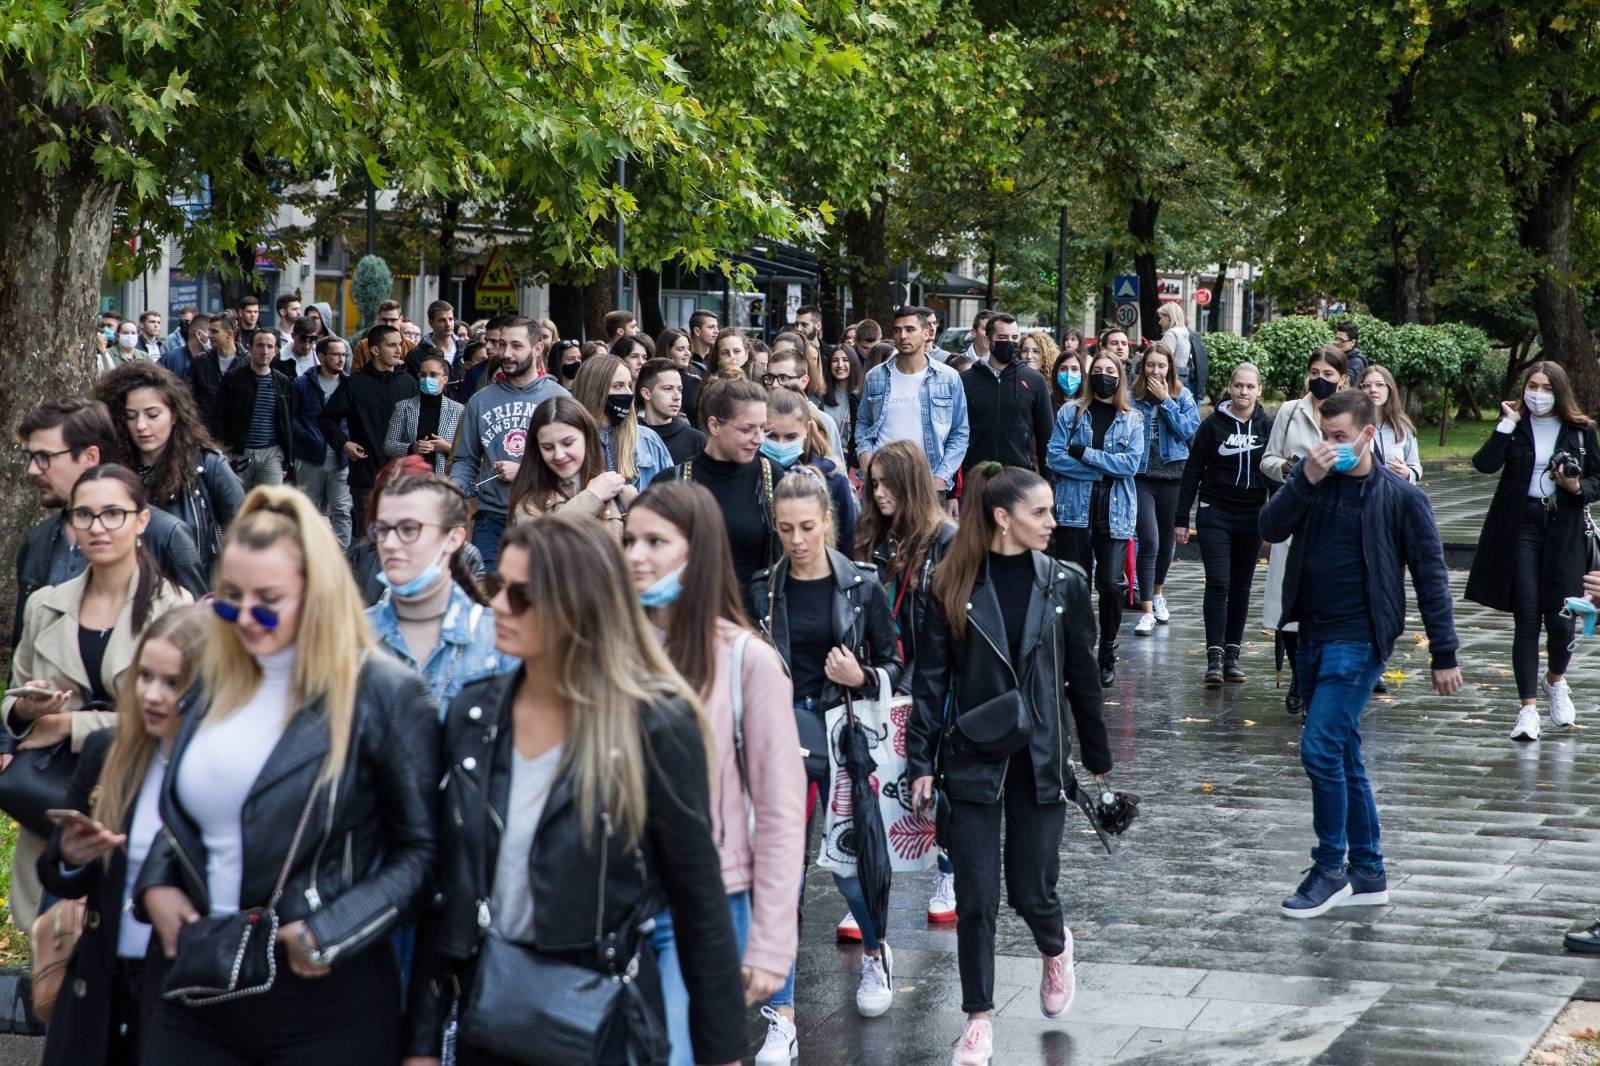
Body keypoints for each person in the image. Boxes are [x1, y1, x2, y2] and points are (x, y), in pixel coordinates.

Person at [403, 515, 747, 1066]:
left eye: (522, 596)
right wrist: (421, 1042)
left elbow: (699, 901)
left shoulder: (654, 724)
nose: (497, 606)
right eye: (497, 588)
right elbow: (449, 888)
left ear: (576, 607)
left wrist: (725, 1054)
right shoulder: (476, 711)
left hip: (605, 1020)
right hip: (493, 1012)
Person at [136, 487, 440, 1063]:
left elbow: (424, 852)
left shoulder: (382, 692)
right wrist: (155, 882)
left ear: (317, 593)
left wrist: (327, 931)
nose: (245, 618)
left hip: (323, 997)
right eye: (230, 599)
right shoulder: (213, 681)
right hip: (199, 979)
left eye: (269, 600)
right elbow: (188, 810)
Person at [905, 463, 1110, 1066]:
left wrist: (1097, 760)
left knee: (1030, 891)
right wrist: (921, 761)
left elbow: (1083, 681)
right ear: (1003, 517)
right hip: (972, 756)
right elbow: (929, 682)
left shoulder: (1067, 584)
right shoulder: (951, 583)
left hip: (1041, 758)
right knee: (975, 897)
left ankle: (1055, 946)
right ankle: (978, 1019)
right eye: (1041, 511)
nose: (1053, 521)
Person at [623, 482, 806, 1066]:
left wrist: (773, 944)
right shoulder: (609, 651)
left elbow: (779, 810)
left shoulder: (747, 661)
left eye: (655, 540)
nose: (635, 555)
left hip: (709, 898)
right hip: (614, 895)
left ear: (698, 551)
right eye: (629, 539)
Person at [1260, 389, 1462, 918]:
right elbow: (1269, 528)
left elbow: (1432, 577)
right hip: (1310, 634)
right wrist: (1305, 478)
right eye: (1324, 437)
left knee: (1319, 749)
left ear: (1369, 434)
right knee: (1344, 753)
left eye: (1340, 438)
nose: (1329, 447)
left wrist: (1445, 652)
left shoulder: (1401, 497)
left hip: (1362, 638)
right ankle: (1368, 871)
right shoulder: (1312, 482)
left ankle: (1330, 868)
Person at [5, 465, 193, 938]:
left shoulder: (174, 610)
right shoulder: (45, 604)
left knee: (128, 949)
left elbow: (179, 716)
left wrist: (70, 727)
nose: (98, 527)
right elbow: (15, 694)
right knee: (55, 954)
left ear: (142, 520)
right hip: (54, 803)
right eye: (84, 515)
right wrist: (26, 712)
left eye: (114, 514)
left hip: (136, 799)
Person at [749, 470, 903, 1024]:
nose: (797, 539)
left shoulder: (862, 584)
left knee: (846, 866)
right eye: (787, 528)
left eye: (807, 527)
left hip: (845, 737)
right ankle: (781, 1014)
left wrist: (860, 673)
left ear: (828, 524)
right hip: (781, 735)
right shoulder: (763, 589)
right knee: (780, 873)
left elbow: (895, 665)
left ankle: (875, 948)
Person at [37, 605, 210, 1066]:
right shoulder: (107, 750)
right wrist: (71, 856)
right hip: (99, 981)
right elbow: (58, 876)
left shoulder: (224, 772)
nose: (152, 694)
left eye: (172, 683)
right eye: (145, 676)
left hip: (178, 988)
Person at [849, 438, 959, 933]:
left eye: (887, 484)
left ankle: (948, 874)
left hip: (928, 677)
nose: (879, 493)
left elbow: (947, 628)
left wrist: (909, 681)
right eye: (872, 485)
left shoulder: (945, 540)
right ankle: (874, 889)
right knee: (879, 781)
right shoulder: (871, 536)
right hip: (880, 672)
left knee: (934, 776)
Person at [1465, 361, 1600, 742]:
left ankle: (1555, 680)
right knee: (1526, 616)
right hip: (1520, 526)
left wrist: (1575, 488)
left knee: (1563, 617)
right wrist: (1505, 425)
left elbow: (1597, 478)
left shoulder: (1581, 429)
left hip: (1564, 528)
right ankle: (1527, 709)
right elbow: (1484, 464)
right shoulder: (1515, 427)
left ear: (1559, 391)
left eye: (1545, 387)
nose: (1536, 393)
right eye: (1532, 385)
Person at [15, 398, 207, 639]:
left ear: (90, 457)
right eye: (30, 457)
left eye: (44, 457)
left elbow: (200, 648)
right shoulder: (38, 541)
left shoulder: (164, 535)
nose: (32, 469)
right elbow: (22, 652)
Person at [365, 473, 509, 715]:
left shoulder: (497, 639)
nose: (389, 543)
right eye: (382, 529)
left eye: (408, 529)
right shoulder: (354, 633)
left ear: (453, 539)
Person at [1046, 348, 1145, 686]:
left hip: (1115, 511)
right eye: (1098, 370)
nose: (1103, 375)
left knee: (1113, 586)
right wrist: (1100, 471)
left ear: (1120, 377)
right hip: (1074, 509)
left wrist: (1085, 453)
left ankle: (1107, 648)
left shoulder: (1132, 418)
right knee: (1074, 584)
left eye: (1110, 370)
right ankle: (1076, 650)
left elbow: (1131, 465)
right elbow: (1054, 458)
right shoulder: (1070, 413)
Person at [93, 362, 245, 577]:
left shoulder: (208, 466)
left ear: (174, 415)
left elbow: (247, 536)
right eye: (131, 416)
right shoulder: (112, 471)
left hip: (196, 595)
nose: (141, 426)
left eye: (152, 415)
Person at [1263, 347, 1350, 715]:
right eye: (1314, 372)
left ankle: (1319, 678)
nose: (1320, 380)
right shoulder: (1289, 410)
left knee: (1322, 599)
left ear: (1342, 379)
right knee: (1287, 602)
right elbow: (1267, 459)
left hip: (1335, 516)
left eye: (1328, 374)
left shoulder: (1351, 412)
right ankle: (1299, 679)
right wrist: (1287, 467)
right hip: (1294, 511)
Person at [1175, 363, 1273, 684]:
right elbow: (1192, 471)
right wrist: (1181, 518)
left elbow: (1275, 473)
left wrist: (1277, 519)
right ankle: (1214, 657)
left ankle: (1233, 655)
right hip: (1215, 511)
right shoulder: (1212, 426)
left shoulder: (1266, 427)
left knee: (1242, 585)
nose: (1244, 392)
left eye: (1250, 387)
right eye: (1238, 386)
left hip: (1252, 514)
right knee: (1218, 582)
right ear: (1230, 388)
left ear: (1259, 390)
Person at [449, 315, 570, 568]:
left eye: (516, 346)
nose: (505, 353)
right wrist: (455, 488)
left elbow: (572, 466)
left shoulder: (560, 399)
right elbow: (465, 459)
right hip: (490, 521)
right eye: (502, 345)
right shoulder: (480, 401)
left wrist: (525, 472)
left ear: (537, 349)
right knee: (488, 598)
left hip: (543, 517)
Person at [661, 378, 779, 610]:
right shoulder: (672, 483)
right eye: (747, 429)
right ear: (714, 425)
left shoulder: (770, 476)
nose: (759, 439)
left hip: (754, 625)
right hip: (690, 622)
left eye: (763, 428)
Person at [319, 323, 421, 540]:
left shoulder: (409, 383)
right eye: (391, 345)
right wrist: (343, 444)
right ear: (374, 350)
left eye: (400, 345)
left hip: (402, 477)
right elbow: (326, 418)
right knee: (368, 540)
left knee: (401, 538)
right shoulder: (355, 384)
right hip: (366, 476)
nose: (398, 350)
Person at [855, 305, 970, 496]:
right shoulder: (875, 376)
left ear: (926, 333)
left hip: (928, 482)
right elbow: (864, 422)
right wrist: (865, 455)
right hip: (881, 482)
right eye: (897, 330)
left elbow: (960, 432)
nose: (903, 336)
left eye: (910, 329)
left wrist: (941, 477)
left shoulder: (948, 377)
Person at [1129, 341, 1200, 635]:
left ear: (1170, 368)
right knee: (1150, 541)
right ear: (1142, 367)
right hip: (1142, 477)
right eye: (1150, 365)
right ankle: (1145, 608)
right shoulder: (1133, 397)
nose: (1155, 371)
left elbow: (1188, 431)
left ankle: (1157, 592)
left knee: (1166, 544)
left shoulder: (1182, 396)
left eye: (1161, 365)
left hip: (1173, 478)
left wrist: (1165, 402)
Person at [506, 396, 634, 535]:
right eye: (548, 447)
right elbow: (540, 541)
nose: (559, 455)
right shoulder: (529, 501)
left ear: (587, 438)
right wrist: (592, 496)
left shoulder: (620, 493)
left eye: (568, 443)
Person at [960, 312, 1053, 479]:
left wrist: (1048, 486)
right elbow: (956, 436)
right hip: (976, 479)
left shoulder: (1034, 381)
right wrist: (953, 491)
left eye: (1014, 337)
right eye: (1003, 337)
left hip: (1019, 480)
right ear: (988, 341)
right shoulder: (966, 381)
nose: (1010, 342)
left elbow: (1045, 438)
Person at [763, 386, 856, 552]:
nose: (781, 444)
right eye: (772, 435)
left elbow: (847, 544)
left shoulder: (832, 479)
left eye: (791, 437)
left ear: (806, 429)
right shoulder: (749, 473)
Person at [572, 353, 674, 489]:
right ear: (595, 391)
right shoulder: (571, 444)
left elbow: (673, 498)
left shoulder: (648, 441)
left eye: (629, 385)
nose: (628, 393)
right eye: (618, 386)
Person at [291, 335, 354, 548]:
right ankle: (307, 556)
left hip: (341, 457)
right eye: (335, 354)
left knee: (342, 510)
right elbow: (290, 417)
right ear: (321, 357)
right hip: (310, 457)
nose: (341, 359)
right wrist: (308, 437)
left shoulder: (350, 385)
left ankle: (341, 560)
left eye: (344, 355)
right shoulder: (302, 383)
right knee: (307, 510)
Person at [214, 327, 295, 488]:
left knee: (270, 506)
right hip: (239, 453)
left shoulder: (283, 381)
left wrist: (287, 457)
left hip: (272, 453)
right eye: (259, 345)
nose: (264, 351)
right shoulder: (233, 378)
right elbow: (218, 416)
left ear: (276, 350)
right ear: (250, 348)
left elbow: (287, 421)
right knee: (237, 505)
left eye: (270, 346)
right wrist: (223, 451)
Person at [384, 353, 465, 476]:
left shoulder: (458, 410)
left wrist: (447, 448)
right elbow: (388, 446)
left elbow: (468, 450)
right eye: (423, 375)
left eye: (433, 375)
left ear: (445, 379)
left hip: (445, 479)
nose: (427, 379)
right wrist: (412, 448)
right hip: (411, 479)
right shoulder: (403, 407)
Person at [1357, 365, 1422, 483]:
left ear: (1389, 389)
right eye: (1366, 385)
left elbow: (1416, 467)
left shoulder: (1403, 426)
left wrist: (1407, 473)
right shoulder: (1353, 426)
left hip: (1397, 496)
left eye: (1380, 384)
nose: (1373, 390)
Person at [637, 357, 705, 464]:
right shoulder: (630, 437)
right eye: (668, 389)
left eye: (679, 389)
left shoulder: (697, 440)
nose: (677, 396)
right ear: (646, 393)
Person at [186, 313, 237, 435]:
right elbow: (189, 396)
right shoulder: (200, 362)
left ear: (229, 334)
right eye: (209, 331)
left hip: (237, 435)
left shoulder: (247, 361)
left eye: (214, 331)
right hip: (206, 432)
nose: (209, 336)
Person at [820, 344, 862, 468]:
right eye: (835, 360)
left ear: (853, 363)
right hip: (826, 460)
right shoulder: (820, 395)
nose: (840, 365)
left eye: (845, 360)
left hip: (853, 464)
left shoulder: (863, 395)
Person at [655, 328, 703, 427]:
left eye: (688, 348)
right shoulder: (651, 380)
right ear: (667, 351)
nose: (687, 353)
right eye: (681, 349)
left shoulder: (696, 383)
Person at [157, 311, 209, 382]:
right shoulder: (170, 359)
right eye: (211, 332)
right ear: (199, 334)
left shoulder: (213, 361)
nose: (213, 337)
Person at [1050, 342, 1083, 411]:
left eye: (1074, 369)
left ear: (1081, 373)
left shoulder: (1090, 403)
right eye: (1063, 369)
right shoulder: (1047, 402)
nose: (1069, 374)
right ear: (1056, 372)